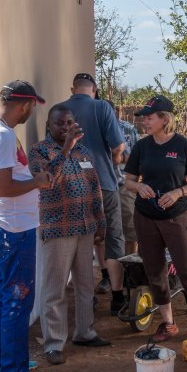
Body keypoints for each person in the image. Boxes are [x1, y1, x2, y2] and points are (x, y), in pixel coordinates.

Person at [0, 80, 54, 372]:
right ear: (26, 104)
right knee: (18, 298)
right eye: (32, 107)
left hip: (1, 223)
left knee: (5, 295)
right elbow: (3, 187)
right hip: (13, 227)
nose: (31, 113)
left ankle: (3, 362)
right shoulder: (3, 136)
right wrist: (38, 182)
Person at [123, 95, 187, 340]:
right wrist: (139, 188)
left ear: (164, 119)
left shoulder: (182, 145)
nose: (144, 121)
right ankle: (168, 322)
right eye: (143, 117)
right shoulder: (142, 147)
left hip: (176, 217)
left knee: (186, 269)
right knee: (155, 270)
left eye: (149, 117)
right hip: (146, 216)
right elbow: (128, 179)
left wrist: (178, 192)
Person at [28, 105, 111, 366]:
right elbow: (49, 179)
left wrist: (100, 221)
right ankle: (54, 343)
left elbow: (94, 187)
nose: (65, 128)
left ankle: (85, 332)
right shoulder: (40, 151)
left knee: (86, 284)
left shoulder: (83, 150)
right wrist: (65, 149)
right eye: (59, 124)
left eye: (69, 123)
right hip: (58, 228)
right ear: (49, 127)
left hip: (85, 227)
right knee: (55, 288)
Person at [58, 73, 127, 315]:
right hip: (103, 184)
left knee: (80, 241)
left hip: (70, 188)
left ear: (72, 88)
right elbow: (118, 147)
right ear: (94, 89)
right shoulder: (102, 108)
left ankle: (85, 297)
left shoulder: (60, 110)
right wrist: (114, 162)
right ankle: (118, 296)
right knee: (112, 238)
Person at [107, 99, 140, 256]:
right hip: (102, 188)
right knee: (107, 231)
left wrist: (120, 158)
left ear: (116, 112)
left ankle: (129, 266)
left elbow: (139, 157)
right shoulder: (94, 129)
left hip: (124, 185)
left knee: (130, 229)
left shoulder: (128, 129)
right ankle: (110, 271)